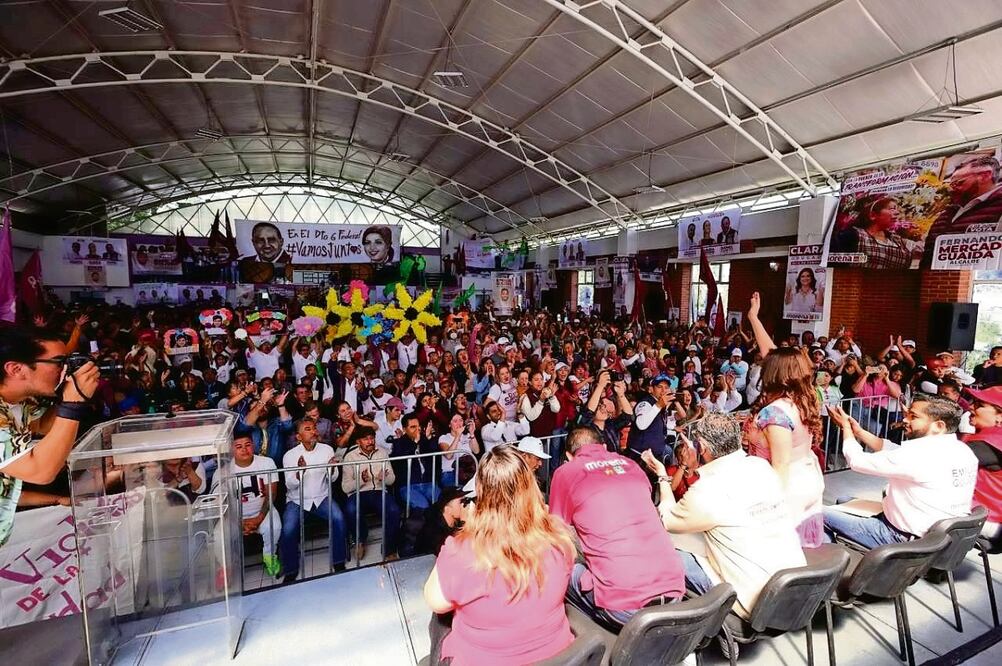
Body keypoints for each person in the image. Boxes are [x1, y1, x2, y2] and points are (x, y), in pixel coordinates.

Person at [641, 414, 806, 618]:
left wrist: (662, 475)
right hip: (799, 592)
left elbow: (668, 520)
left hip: (757, 603)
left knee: (663, 549)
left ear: (701, 446)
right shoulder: (761, 466)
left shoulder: (707, 490)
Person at [423, 446, 576, 665]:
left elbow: (435, 601)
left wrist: (469, 528)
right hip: (559, 656)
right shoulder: (559, 535)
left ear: (481, 495)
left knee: (440, 618)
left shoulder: (463, 550)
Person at [552, 426, 685, 631]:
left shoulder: (566, 472)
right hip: (675, 593)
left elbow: (556, 530)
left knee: (563, 566)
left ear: (569, 456)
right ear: (604, 447)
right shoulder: (630, 464)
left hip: (625, 610)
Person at [823, 395, 977, 549]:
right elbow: (892, 450)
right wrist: (858, 431)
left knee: (811, 513)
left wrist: (846, 428)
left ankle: (829, 563)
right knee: (844, 499)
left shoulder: (917, 457)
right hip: (939, 537)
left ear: (938, 426)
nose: (905, 420)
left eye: (913, 416)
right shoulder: (962, 451)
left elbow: (857, 461)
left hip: (899, 537)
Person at [0, 327, 99, 547]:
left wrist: (69, 394)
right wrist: (73, 404)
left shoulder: (20, 400)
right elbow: (41, 471)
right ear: (16, 369)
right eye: (59, 362)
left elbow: (44, 425)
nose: (65, 369)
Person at [747, 292, 825, 547]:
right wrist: (753, 318)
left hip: (788, 487)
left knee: (778, 551)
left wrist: (769, 507)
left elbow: (778, 466)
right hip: (808, 476)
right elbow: (772, 353)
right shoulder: (805, 395)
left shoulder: (775, 412)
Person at [279, 418, 348, 582]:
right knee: (288, 529)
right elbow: (289, 484)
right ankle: (291, 569)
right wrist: (299, 472)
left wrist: (331, 469)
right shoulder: (290, 455)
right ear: (299, 437)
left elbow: (333, 479)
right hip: (297, 500)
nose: (314, 432)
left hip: (321, 497)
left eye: (314, 428)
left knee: (339, 519)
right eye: (308, 429)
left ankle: (338, 561)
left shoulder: (327, 450)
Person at [212, 435, 282, 577]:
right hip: (233, 516)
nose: (244, 449)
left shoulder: (267, 462)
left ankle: (270, 557)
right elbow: (220, 502)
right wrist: (238, 522)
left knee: (274, 526)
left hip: (262, 511)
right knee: (219, 535)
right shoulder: (222, 471)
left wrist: (259, 518)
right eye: (239, 446)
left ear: (253, 445)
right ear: (231, 449)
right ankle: (225, 567)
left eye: (248, 445)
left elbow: (272, 493)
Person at [342, 426, 400, 560]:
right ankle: (360, 539)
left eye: (372, 438)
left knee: (393, 510)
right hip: (358, 493)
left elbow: (392, 480)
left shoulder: (382, 453)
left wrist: (384, 478)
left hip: (378, 490)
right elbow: (345, 487)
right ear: (358, 442)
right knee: (350, 509)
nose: (370, 442)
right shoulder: (350, 457)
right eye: (366, 439)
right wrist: (361, 481)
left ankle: (389, 549)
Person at [833, 195, 920, 269]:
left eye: (897, 209)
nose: (897, 213)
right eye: (892, 209)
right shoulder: (852, 236)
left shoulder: (899, 241)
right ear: (873, 215)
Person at [961, 386, 1002, 539]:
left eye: (980, 405)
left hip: (989, 518)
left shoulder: (992, 443)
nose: (971, 406)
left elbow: (945, 459)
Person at [391, 413, 441, 511]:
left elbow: (436, 455)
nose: (417, 429)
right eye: (413, 427)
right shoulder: (398, 443)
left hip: (427, 483)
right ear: (404, 429)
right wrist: (414, 443)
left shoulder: (424, 440)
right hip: (409, 486)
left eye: (418, 426)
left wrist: (429, 438)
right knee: (423, 507)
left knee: (442, 503)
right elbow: (401, 459)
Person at [626, 374, 676, 465]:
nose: (663, 390)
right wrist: (658, 405)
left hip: (654, 456)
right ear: (651, 389)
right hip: (640, 457)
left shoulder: (661, 404)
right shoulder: (646, 403)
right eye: (659, 387)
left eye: (666, 387)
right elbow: (641, 425)